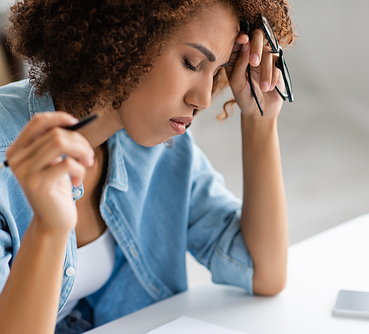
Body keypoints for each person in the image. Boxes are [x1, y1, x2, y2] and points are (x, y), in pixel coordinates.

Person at [0, 0, 295, 333]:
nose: (203, 99)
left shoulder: (163, 147)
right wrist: (49, 230)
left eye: (218, 71)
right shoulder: (4, 159)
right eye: (192, 62)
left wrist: (260, 120)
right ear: (123, 38)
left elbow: (263, 272)